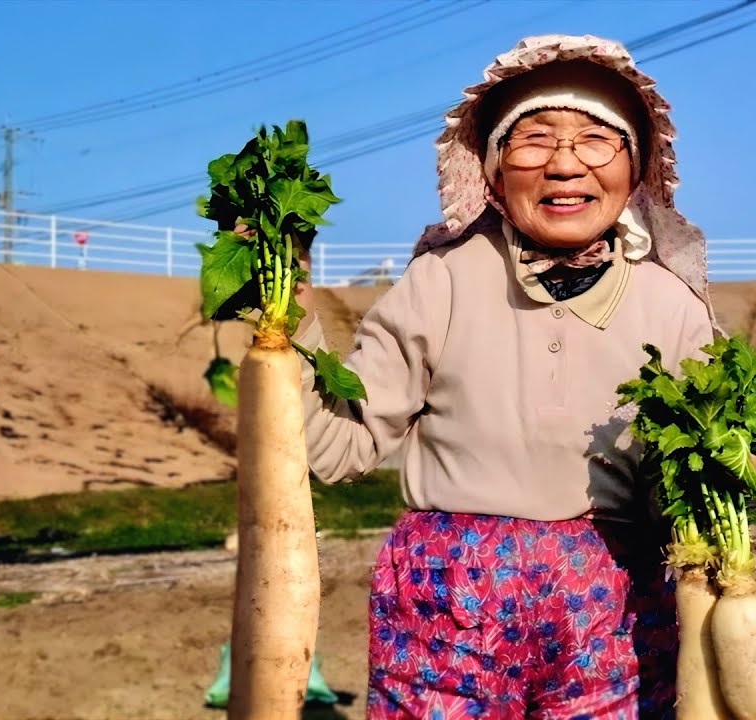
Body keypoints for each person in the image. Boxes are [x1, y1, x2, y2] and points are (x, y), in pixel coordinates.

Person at [293, 34, 721, 719]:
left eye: (596, 140)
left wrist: (737, 464)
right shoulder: (442, 280)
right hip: (447, 608)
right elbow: (338, 445)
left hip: (613, 614)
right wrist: (288, 318)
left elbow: (694, 487)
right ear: (492, 170)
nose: (564, 164)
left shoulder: (673, 308)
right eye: (534, 139)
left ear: (635, 166)